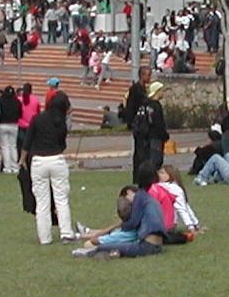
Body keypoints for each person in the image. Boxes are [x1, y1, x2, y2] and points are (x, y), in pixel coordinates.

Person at [25, 86, 74, 245]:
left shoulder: (37, 119)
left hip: (39, 161)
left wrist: (21, 160)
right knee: (61, 199)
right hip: (56, 159)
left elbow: (28, 141)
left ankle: (45, 237)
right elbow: (62, 145)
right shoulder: (61, 123)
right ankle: (66, 233)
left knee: (42, 202)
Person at [72, 184, 165, 257]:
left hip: (148, 246)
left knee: (103, 247)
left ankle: (88, 254)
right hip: (158, 245)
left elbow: (130, 225)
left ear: (129, 192)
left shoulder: (139, 201)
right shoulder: (148, 199)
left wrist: (119, 224)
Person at [126, 76, 168, 188]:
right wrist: (164, 136)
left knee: (145, 158)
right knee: (155, 160)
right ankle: (153, 181)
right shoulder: (155, 106)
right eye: (162, 90)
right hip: (155, 137)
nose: (163, 92)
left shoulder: (144, 105)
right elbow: (158, 123)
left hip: (144, 137)